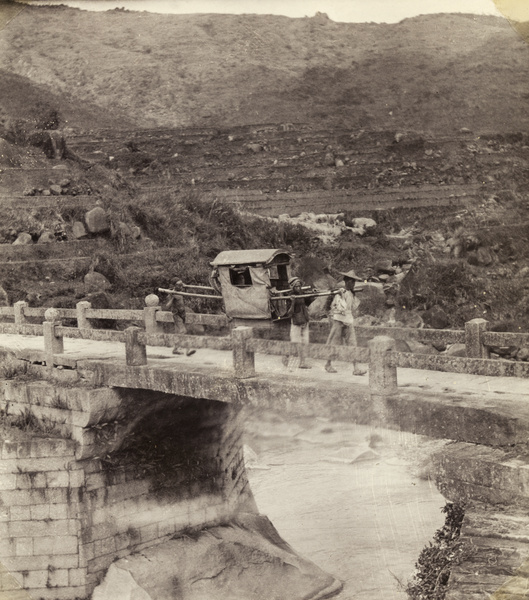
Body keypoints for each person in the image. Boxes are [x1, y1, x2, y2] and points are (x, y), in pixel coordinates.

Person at [324, 269, 367, 376]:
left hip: (348, 320)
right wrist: (340, 293)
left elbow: (352, 308)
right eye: (351, 281)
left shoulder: (351, 294)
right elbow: (335, 305)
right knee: (334, 343)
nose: (353, 284)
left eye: (354, 282)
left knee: (353, 344)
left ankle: (356, 368)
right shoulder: (340, 292)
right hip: (338, 320)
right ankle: (328, 364)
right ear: (346, 281)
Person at [283, 276, 313, 369]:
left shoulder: (302, 293)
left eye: (299, 286)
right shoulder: (289, 296)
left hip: (304, 321)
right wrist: (292, 302)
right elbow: (289, 313)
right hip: (296, 323)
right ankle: (286, 358)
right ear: (292, 287)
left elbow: (310, 301)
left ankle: (302, 363)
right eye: (296, 286)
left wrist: (313, 294)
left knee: (305, 343)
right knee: (295, 343)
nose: (298, 288)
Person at [163, 280, 196, 356]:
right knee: (183, 331)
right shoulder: (171, 294)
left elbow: (184, 288)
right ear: (174, 285)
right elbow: (167, 306)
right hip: (176, 314)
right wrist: (172, 298)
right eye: (179, 285)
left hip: (183, 314)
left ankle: (175, 349)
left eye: (181, 284)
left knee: (179, 332)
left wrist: (183, 285)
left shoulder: (180, 291)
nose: (181, 286)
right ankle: (188, 350)